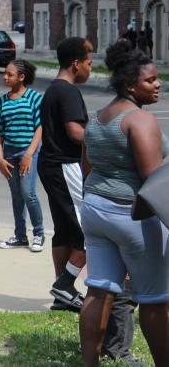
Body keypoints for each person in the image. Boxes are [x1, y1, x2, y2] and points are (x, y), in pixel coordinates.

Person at [79, 40, 169, 367]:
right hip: (132, 216)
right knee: (155, 301)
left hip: (95, 209)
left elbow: (86, 165)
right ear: (131, 85)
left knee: (99, 289)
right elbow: (153, 179)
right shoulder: (140, 121)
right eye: (150, 80)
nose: (157, 84)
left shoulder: (99, 117)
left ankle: (89, 363)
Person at [38, 37, 92, 311]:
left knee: (64, 230)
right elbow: (75, 132)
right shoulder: (68, 92)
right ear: (75, 64)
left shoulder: (53, 90)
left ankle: (62, 295)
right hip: (65, 165)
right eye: (88, 63)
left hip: (51, 164)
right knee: (89, 229)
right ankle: (65, 284)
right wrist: (102, 138)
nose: (90, 68)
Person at [0, 60, 45, 252]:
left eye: (10, 74)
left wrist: (29, 154)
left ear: (22, 77)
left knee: (28, 193)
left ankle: (38, 233)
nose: (5, 77)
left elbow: (40, 127)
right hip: (9, 153)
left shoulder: (34, 98)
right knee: (16, 195)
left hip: (27, 151)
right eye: (5, 73)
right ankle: (20, 236)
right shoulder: (1, 102)